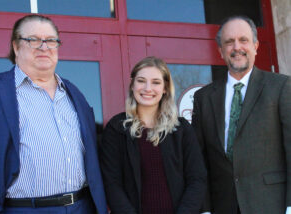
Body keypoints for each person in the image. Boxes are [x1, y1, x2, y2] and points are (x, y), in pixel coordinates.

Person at [0, 14, 108, 214]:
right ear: (16, 47)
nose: (44, 47)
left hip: (81, 206)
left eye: (51, 40)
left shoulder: (74, 94)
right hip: (23, 209)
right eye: (33, 40)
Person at [192, 15, 291, 214]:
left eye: (243, 40)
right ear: (221, 51)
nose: (237, 47)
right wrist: (204, 209)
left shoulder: (281, 87)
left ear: (255, 46)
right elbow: (199, 160)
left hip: (271, 205)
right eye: (229, 42)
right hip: (222, 206)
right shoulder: (203, 98)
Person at [99, 56, 207, 214]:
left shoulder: (182, 129)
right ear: (132, 85)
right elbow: (111, 183)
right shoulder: (117, 128)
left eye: (156, 82)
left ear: (165, 88)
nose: (147, 88)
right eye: (141, 80)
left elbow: (197, 179)